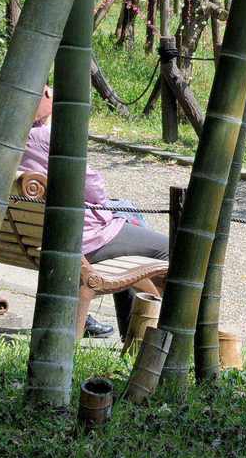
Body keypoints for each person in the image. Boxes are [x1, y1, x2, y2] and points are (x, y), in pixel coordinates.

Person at [19, 99, 168, 332]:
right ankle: (164, 333)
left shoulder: (4, 142)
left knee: (128, 225)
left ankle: (134, 329)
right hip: (81, 240)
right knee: (171, 249)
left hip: (29, 239)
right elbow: (94, 186)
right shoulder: (45, 137)